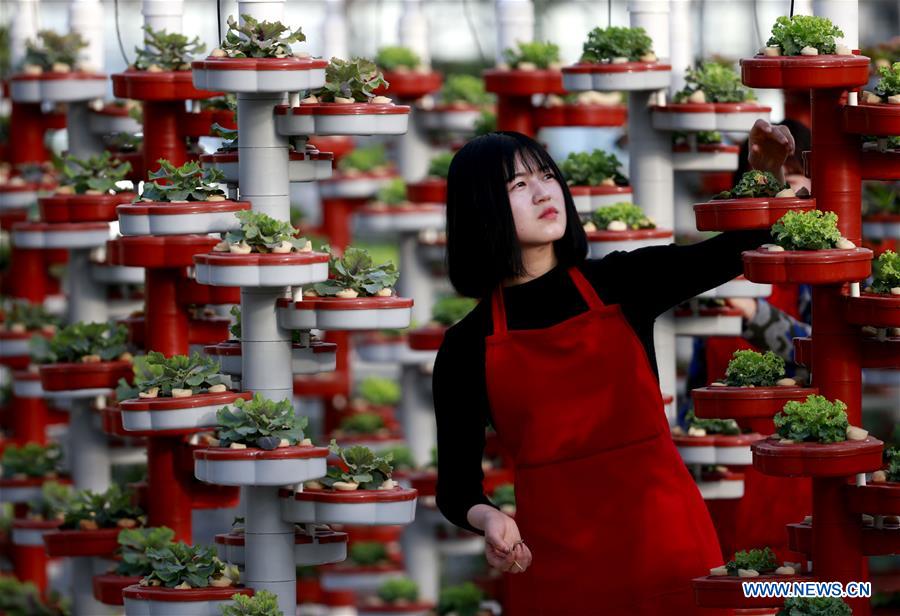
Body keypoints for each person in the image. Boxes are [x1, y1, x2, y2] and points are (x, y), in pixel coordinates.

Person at [432, 120, 795, 615]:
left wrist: (766, 174)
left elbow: (736, 249)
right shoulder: (465, 346)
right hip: (558, 567)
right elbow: (457, 490)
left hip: (667, 544)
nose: (543, 192)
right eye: (518, 185)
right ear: (480, 211)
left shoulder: (624, 282)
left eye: (545, 175)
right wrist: (489, 519)